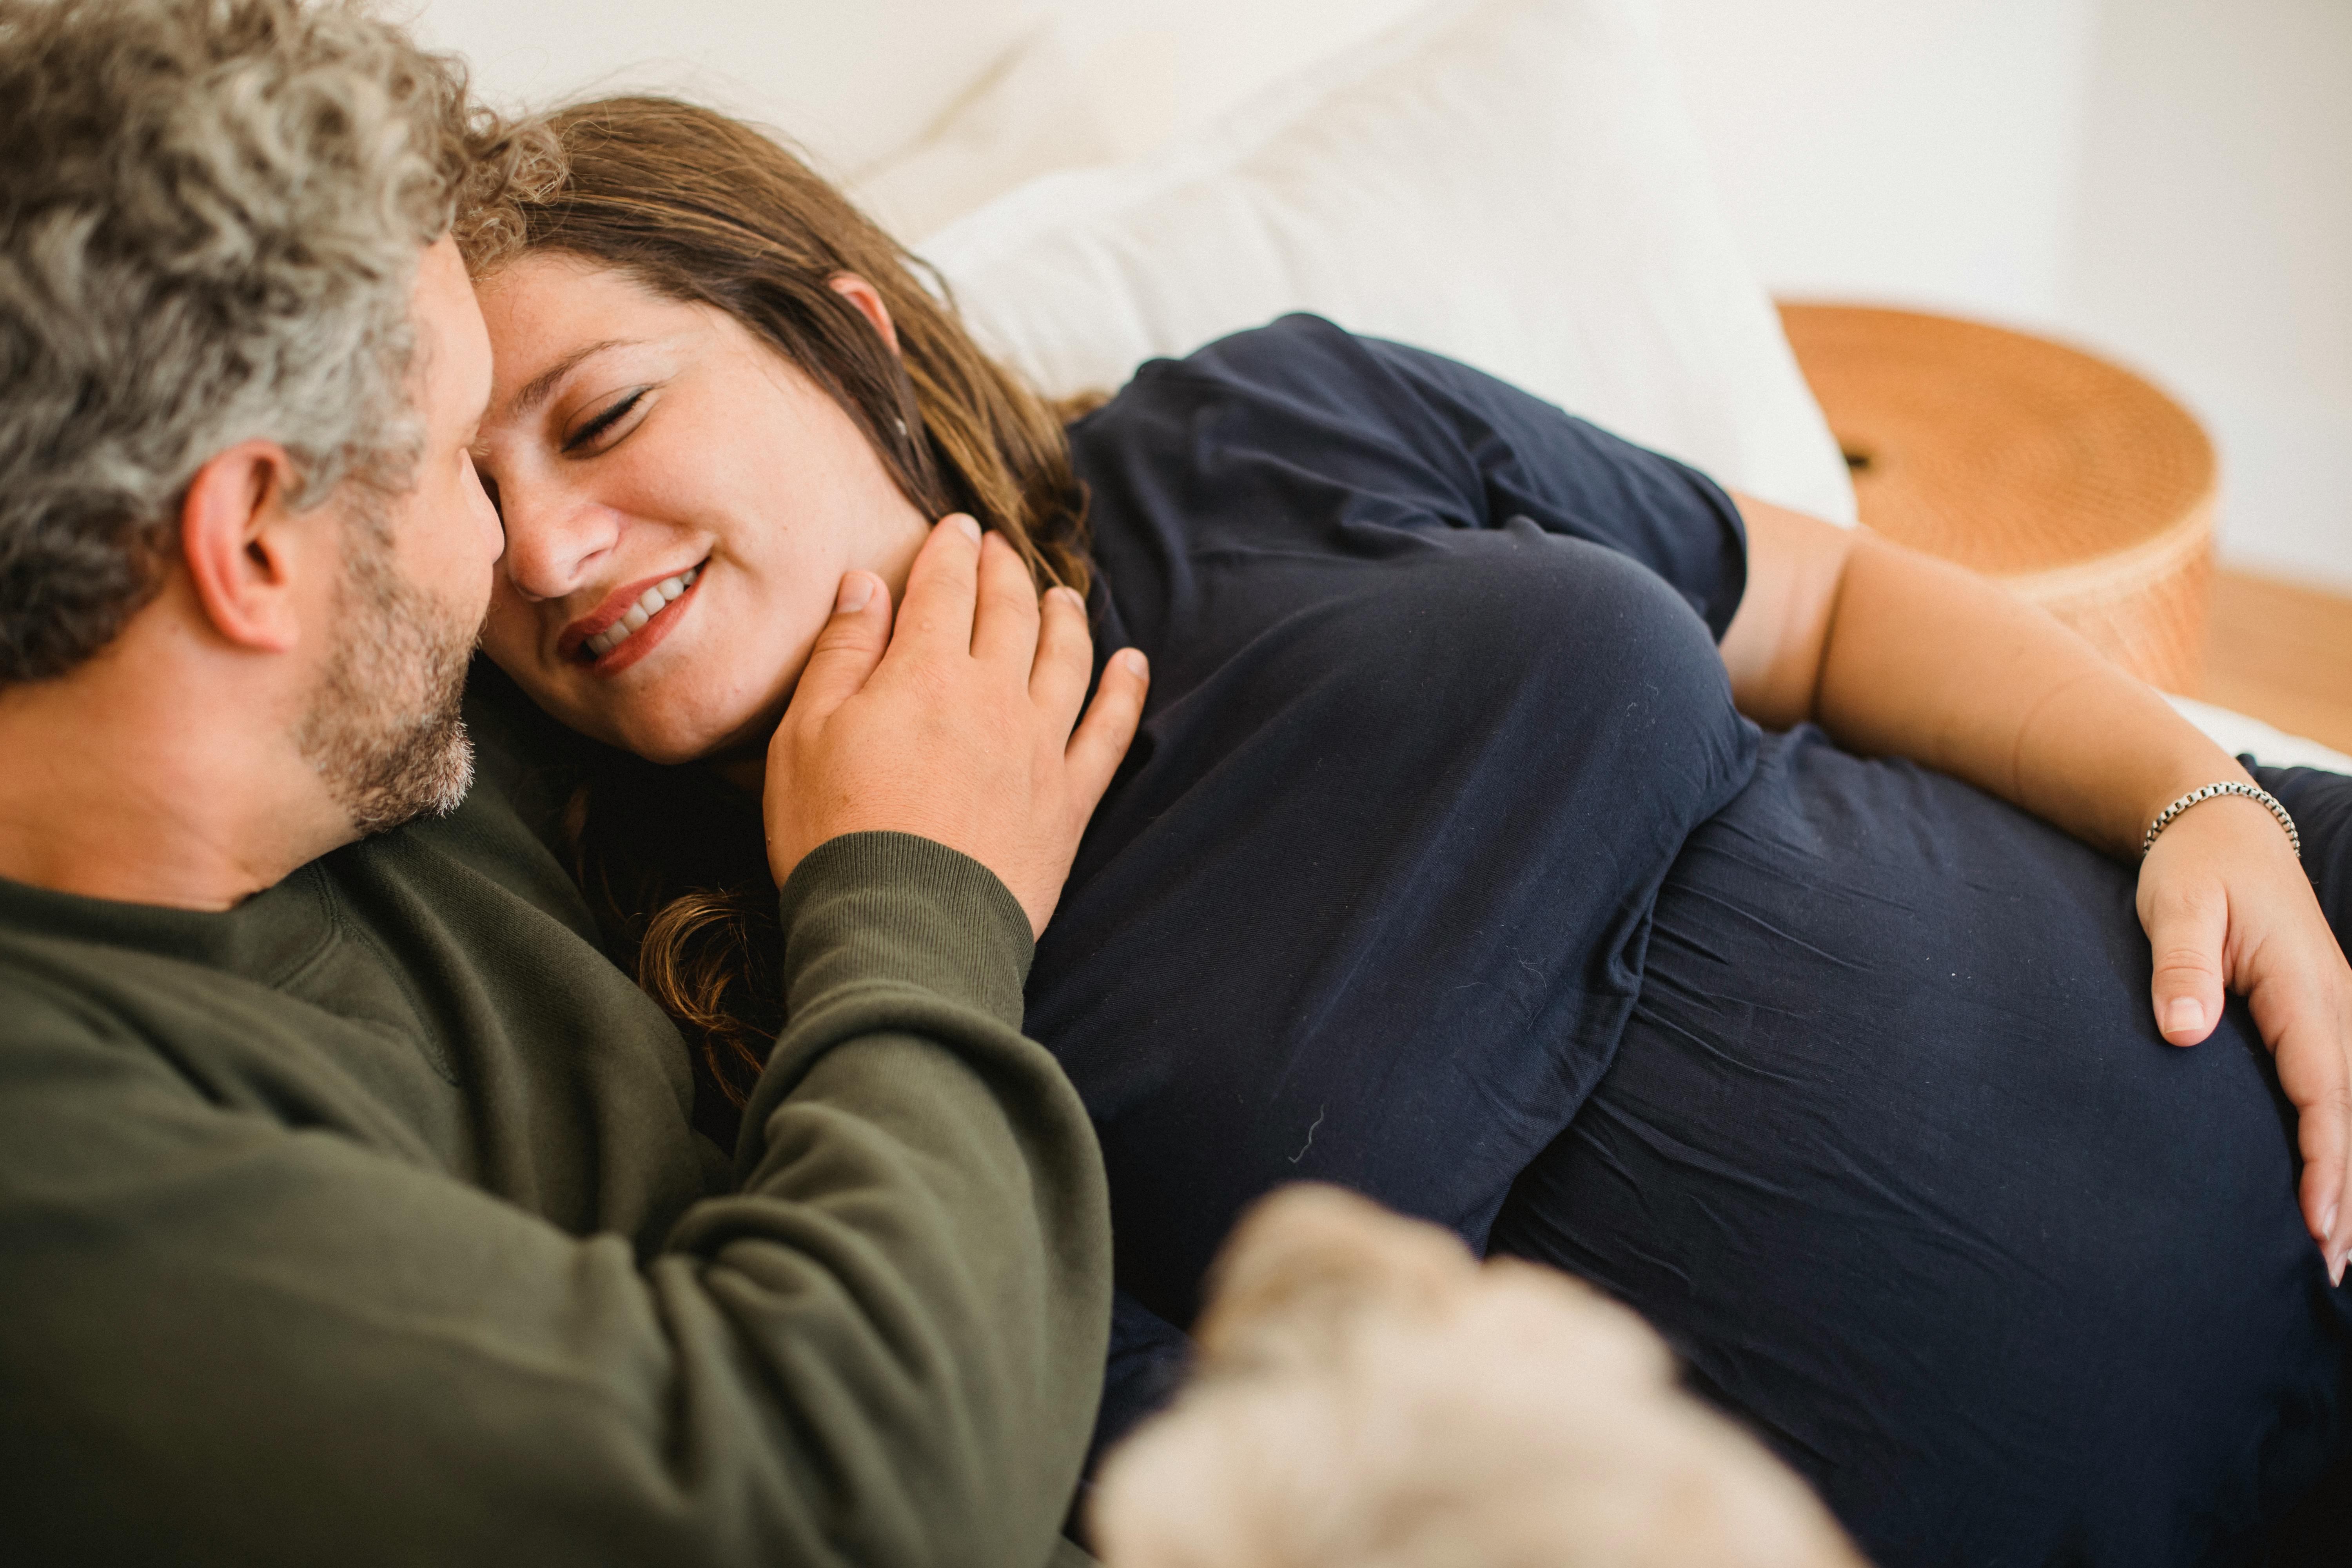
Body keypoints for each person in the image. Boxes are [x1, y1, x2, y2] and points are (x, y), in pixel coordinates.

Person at [455, 93, 2352, 1565]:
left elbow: (1824, 609)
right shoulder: (767, 1010)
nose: (542, 550)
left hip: (2283, 1035)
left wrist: (2199, 802)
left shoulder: (1262, 423)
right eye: (465, 514)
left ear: (841, 340)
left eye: (602, 414)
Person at [0, 4, 1151, 1564]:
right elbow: (843, 1503)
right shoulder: (65, 1176)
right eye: (454, 469)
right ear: (254, 547)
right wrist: (921, 892)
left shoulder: (386, 754)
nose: (520, 556)